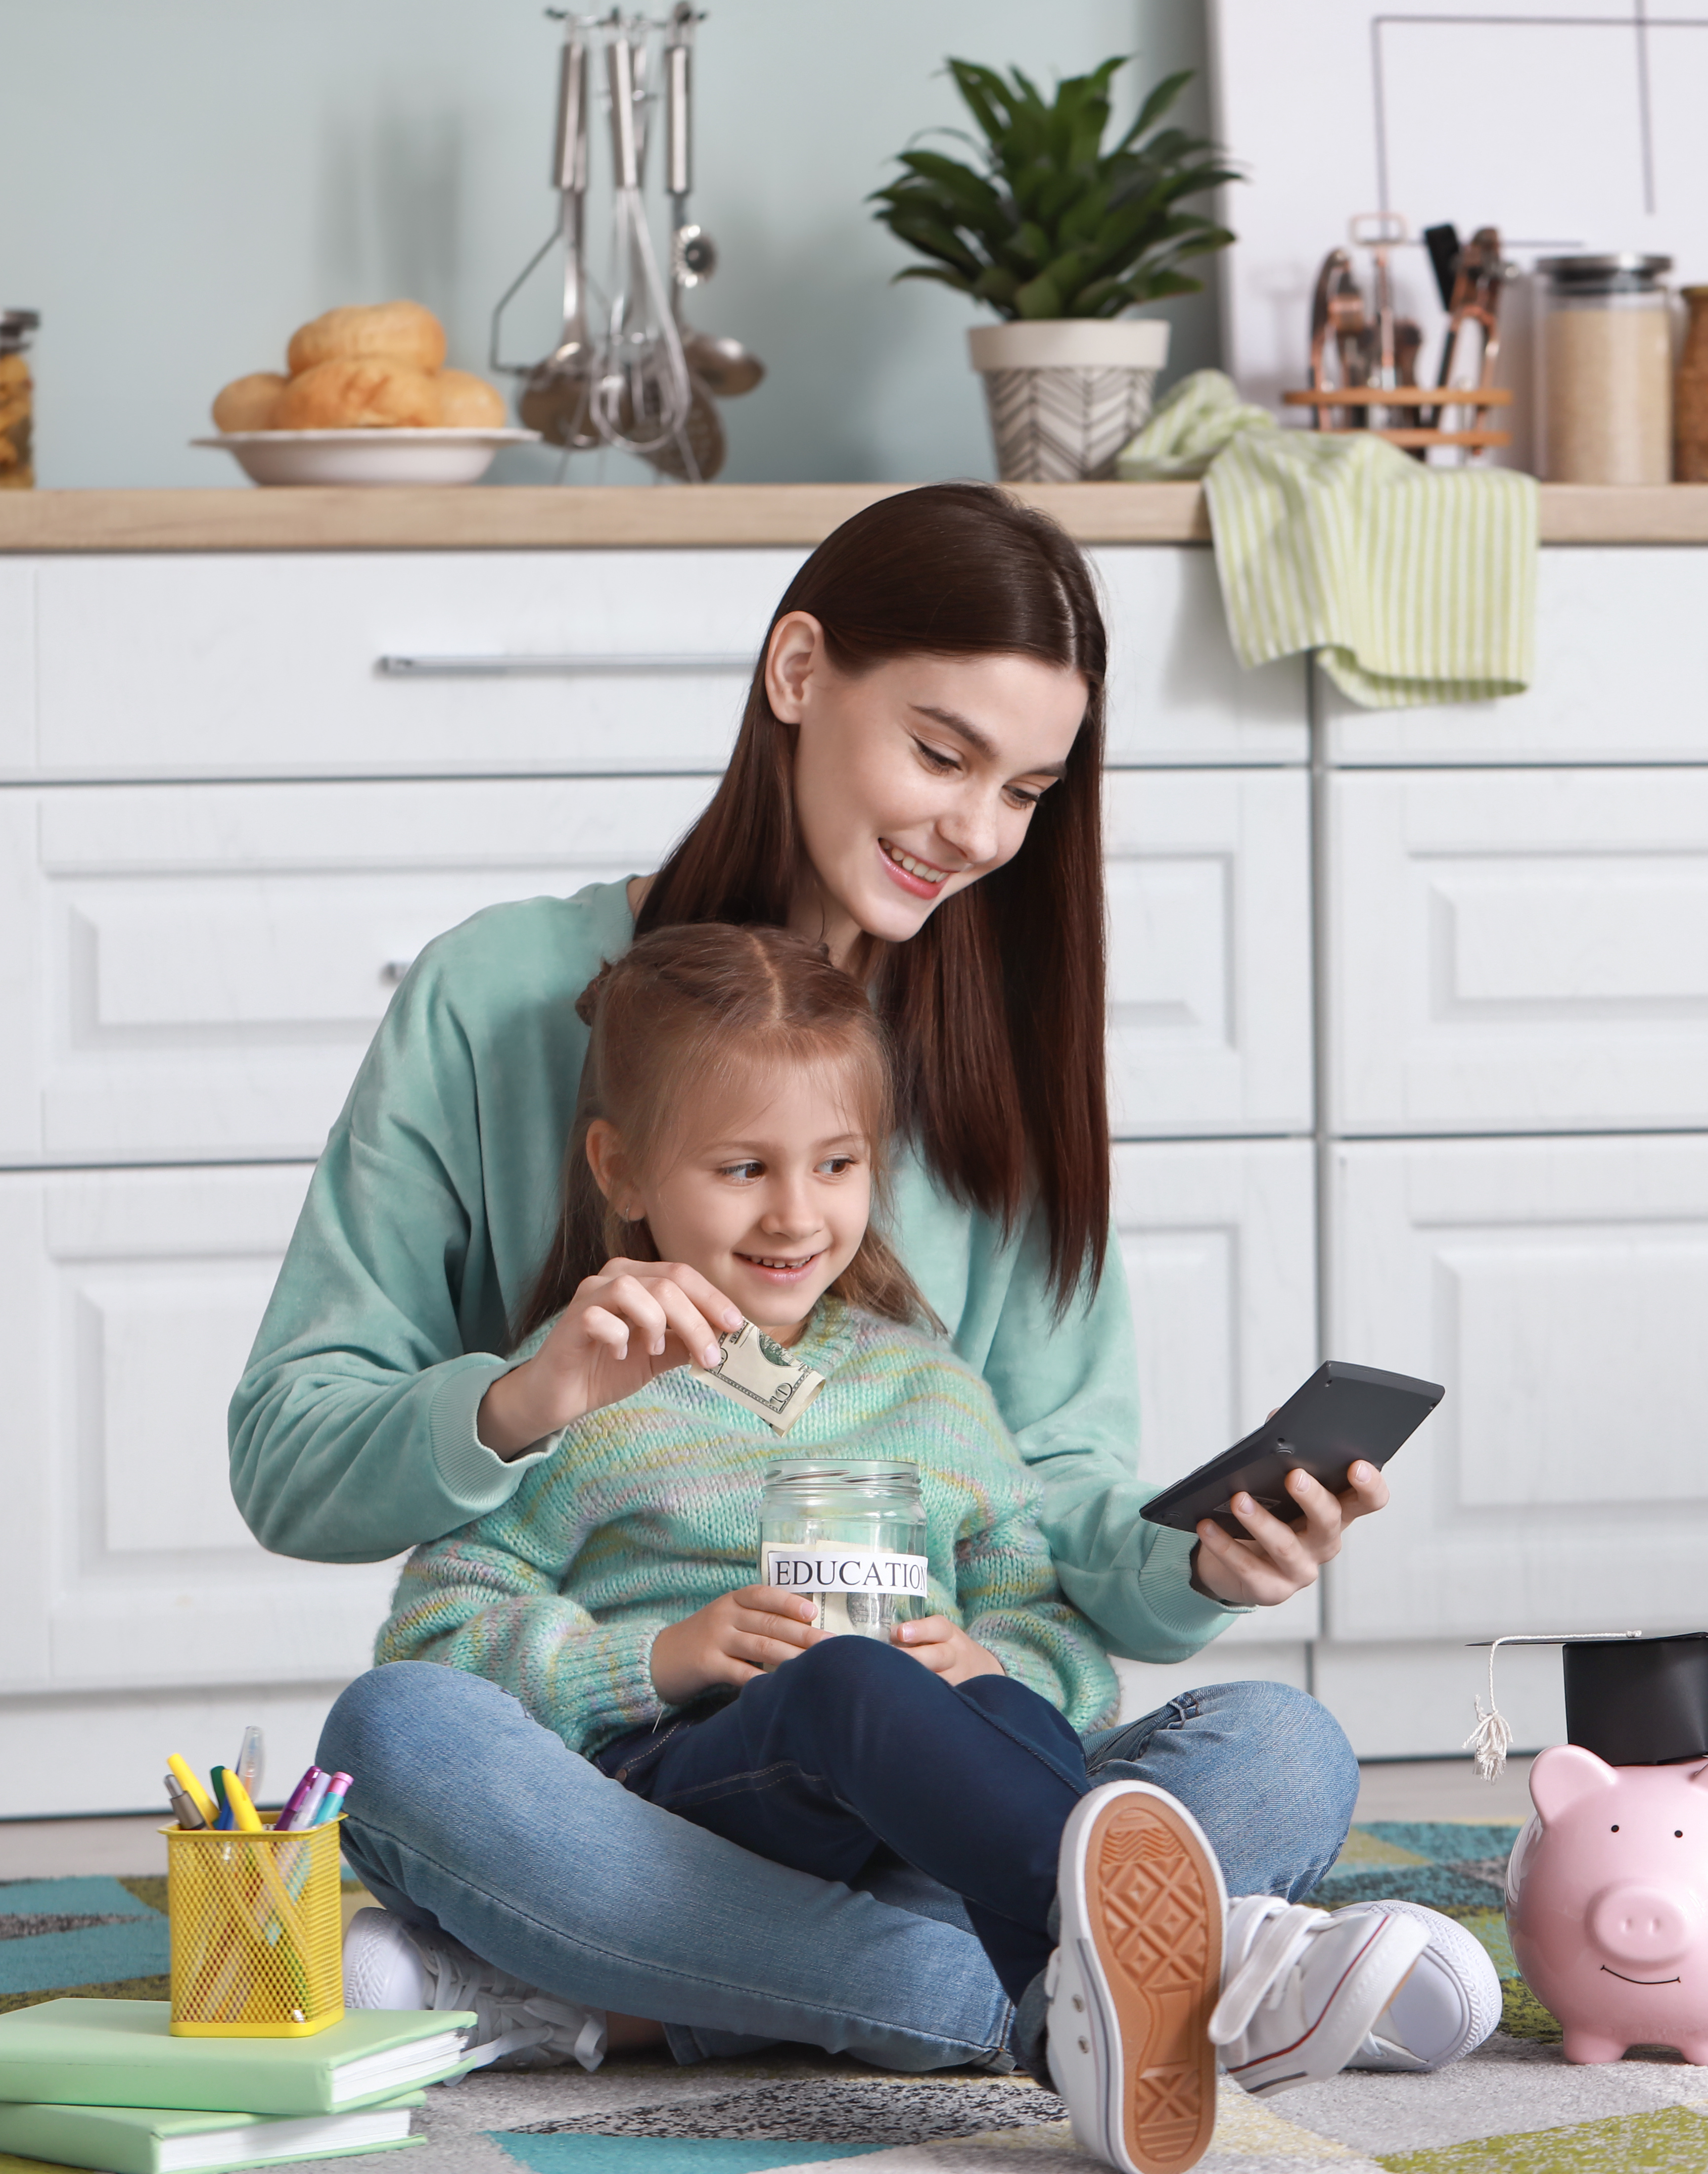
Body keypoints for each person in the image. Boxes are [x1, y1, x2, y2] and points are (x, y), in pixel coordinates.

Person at [231, 485, 1486, 2075]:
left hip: (927, 1789)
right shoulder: (494, 999)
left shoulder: (997, 1073)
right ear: (800, 671)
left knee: (1284, 1748)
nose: (975, 832)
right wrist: (522, 1398)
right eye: (942, 754)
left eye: (1027, 788)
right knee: (398, 1742)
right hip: (621, 1777)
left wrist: (1202, 1565)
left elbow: (1042, 1523)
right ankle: (1113, 1981)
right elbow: (290, 1455)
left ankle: (667, 1990)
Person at [359, 924, 1460, 2171]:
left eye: (836, 1163)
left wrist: (995, 1669)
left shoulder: (931, 1388)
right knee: (394, 1725)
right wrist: (657, 1657)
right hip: (676, 1801)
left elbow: (1040, 1613)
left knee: (1285, 1739)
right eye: (740, 1167)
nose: (796, 1211)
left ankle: (784, 1993)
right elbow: (439, 1630)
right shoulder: (584, 1373)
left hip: (929, 1835)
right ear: (622, 1167)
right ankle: (1182, 1967)